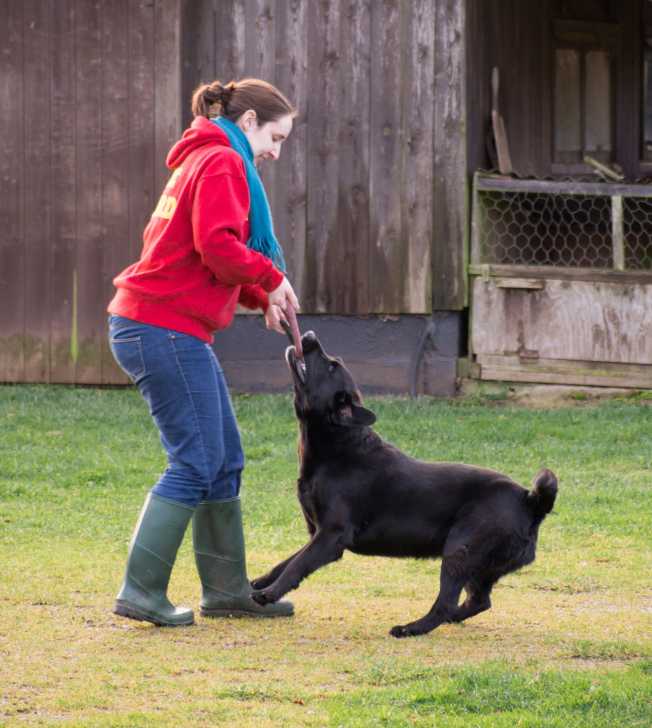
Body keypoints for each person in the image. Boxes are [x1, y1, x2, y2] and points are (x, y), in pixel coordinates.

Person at [107, 78, 300, 626]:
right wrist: (271, 277)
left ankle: (226, 591)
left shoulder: (204, 158)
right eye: (275, 137)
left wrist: (259, 294)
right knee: (194, 462)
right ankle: (141, 591)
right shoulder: (221, 163)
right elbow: (218, 244)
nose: (275, 152)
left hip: (162, 325)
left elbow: (201, 255)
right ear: (248, 124)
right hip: (160, 328)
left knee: (224, 461)